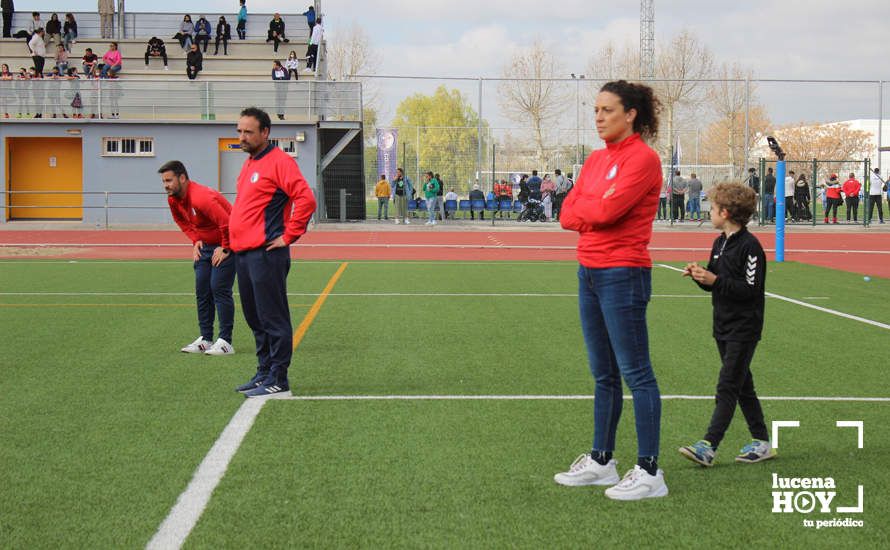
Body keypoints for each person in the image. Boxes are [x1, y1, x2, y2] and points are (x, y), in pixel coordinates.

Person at [555, 80, 667, 501]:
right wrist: (591, 209)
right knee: (603, 374)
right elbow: (569, 212)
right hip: (589, 270)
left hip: (624, 272)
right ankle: (602, 462)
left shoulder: (643, 160)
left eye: (607, 110)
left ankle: (650, 471)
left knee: (637, 374)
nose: (599, 118)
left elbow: (606, 210)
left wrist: (591, 208)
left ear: (631, 113)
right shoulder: (596, 160)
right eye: (596, 110)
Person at [679, 182, 773, 467]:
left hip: (744, 327)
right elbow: (715, 285)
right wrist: (701, 276)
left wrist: (715, 280)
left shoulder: (751, 247)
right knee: (743, 386)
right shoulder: (719, 242)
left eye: (713, 208)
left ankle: (708, 445)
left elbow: (751, 289)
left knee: (728, 385)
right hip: (722, 325)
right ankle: (762, 441)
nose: (710, 212)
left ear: (726, 212)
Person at [230, 107, 316, 397]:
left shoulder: (279, 161)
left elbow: (306, 199)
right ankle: (264, 371)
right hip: (244, 255)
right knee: (254, 318)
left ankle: (279, 379)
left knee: (272, 317)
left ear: (265, 133)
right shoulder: (249, 164)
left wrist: (289, 235)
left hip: (266, 254)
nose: (242, 136)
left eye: (248, 132)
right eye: (239, 131)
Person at [161, 160, 237, 357]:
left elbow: (228, 223)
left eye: (169, 180)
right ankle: (205, 339)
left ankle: (225, 342)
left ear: (182, 178)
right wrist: (195, 240)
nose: (166, 185)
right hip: (205, 247)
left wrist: (226, 247)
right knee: (202, 290)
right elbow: (182, 222)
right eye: (164, 181)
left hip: (228, 242)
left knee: (218, 288)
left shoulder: (201, 197)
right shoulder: (173, 199)